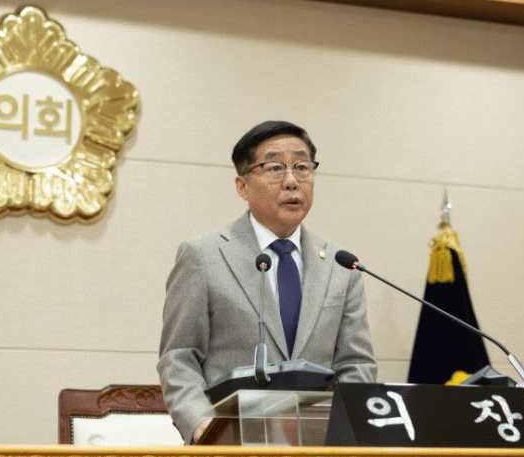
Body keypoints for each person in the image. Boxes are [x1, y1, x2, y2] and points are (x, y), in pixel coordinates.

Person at [157, 121, 377, 444]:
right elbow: (179, 357)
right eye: (274, 168)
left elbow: (356, 364)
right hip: (231, 445)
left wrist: (343, 432)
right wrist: (203, 427)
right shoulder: (203, 256)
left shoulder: (340, 264)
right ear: (242, 186)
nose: (291, 181)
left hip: (318, 447)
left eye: (302, 167)